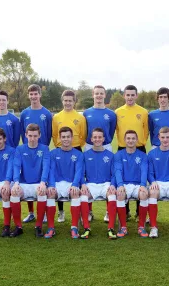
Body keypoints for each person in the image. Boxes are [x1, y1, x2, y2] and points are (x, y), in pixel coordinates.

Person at [83, 85, 116, 222]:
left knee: (108, 177)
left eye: (101, 93)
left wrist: (105, 140)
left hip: (106, 145)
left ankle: (108, 212)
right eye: (96, 93)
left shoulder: (111, 114)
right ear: (93, 94)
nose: (99, 96)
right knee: (88, 177)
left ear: (104, 95)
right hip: (89, 145)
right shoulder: (86, 113)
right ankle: (89, 211)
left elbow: (112, 130)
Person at [20, 84, 52, 223]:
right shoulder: (24, 113)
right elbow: (22, 132)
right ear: (29, 96)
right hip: (28, 150)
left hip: (42, 150)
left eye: (36, 94)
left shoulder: (46, 113)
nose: (33, 97)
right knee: (28, 178)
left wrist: (43, 146)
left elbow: (49, 133)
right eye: (31, 94)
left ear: (40, 95)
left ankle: (43, 213)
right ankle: (31, 212)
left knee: (41, 179)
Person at [52, 90, 86, 223]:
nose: (67, 103)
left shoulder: (80, 117)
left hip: (76, 148)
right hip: (61, 149)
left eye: (70, 100)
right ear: (62, 101)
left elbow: (83, 135)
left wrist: (77, 146)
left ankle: (82, 212)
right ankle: (61, 211)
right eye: (65, 100)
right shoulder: (56, 117)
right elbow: (55, 135)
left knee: (77, 179)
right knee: (59, 177)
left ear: (74, 101)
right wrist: (59, 145)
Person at [10, 124, 50, 237]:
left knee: (42, 192)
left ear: (39, 135)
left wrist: (43, 182)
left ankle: (38, 226)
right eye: (30, 135)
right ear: (26, 135)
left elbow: (46, 166)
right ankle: (18, 227)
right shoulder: (20, 149)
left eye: (35, 136)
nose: (32, 139)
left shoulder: (45, 148)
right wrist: (16, 182)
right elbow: (16, 166)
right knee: (14, 192)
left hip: (38, 183)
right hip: (24, 183)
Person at [115, 85, 149, 219]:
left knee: (141, 176)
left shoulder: (144, 112)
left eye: (132, 95)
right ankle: (126, 211)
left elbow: (146, 131)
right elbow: (116, 130)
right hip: (122, 147)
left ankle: (140, 212)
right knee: (123, 177)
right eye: (127, 95)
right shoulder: (117, 112)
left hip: (139, 147)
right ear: (124, 96)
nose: (130, 97)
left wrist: (140, 141)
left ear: (136, 95)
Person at [45, 126, 84, 239]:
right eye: (63, 137)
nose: (65, 139)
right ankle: (51, 227)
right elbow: (51, 171)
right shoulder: (53, 153)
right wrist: (52, 185)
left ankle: (74, 227)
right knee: (50, 193)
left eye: (68, 137)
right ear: (59, 138)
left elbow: (78, 171)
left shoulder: (78, 154)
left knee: (75, 193)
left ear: (72, 138)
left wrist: (75, 185)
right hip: (56, 183)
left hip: (71, 183)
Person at [81, 128, 117, 239]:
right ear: (91, 139)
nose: (97, 139)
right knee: (83, 197)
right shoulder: (85, 155)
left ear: (103, 139)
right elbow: (81, 173)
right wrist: (83, 184)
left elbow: (114, 174)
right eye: (95, 137)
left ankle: (110, 228)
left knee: (112, 196)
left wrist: (112, 184)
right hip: (90, 184)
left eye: (99, 137)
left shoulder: (111, 155)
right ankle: (86, 228)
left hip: (106, 184)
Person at [114, 130, 149, 238]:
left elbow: (144, 171)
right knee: (120, 194)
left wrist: (143, 185)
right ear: (124, 140)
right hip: (124, 184)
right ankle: (123, 227)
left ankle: (141, 226)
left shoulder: (143, 155)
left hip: (138, 184)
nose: (131, 141)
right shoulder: (119, 155)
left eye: (133, 138)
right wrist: (120, 185)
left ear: (137, 140)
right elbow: (118, 171)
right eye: (128, 138)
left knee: (143, 194)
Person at [0, 90, 20, 219]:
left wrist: (12, 153)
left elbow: (15, 140)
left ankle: (9, 218)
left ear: (7, 101)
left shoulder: (14, 119)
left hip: (9, 155)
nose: (1, 102)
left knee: (6, 183)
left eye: (3, 100)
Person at [0, 128, 15, 236]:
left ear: (4, 139)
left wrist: (7, 182)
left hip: (7, 181)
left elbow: (11, 168)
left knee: (5, 192)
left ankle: (6, 226)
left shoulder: (11, 151)